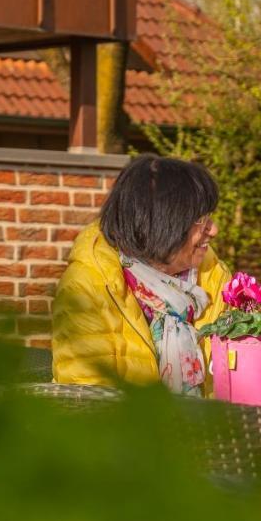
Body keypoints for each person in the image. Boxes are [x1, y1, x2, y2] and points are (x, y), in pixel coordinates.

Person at [52, 155, 228, 395]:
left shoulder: (214, 278)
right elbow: (87, 403)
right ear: (160, 223)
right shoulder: (89, 286)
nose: (214, 230)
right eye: (200, 220)